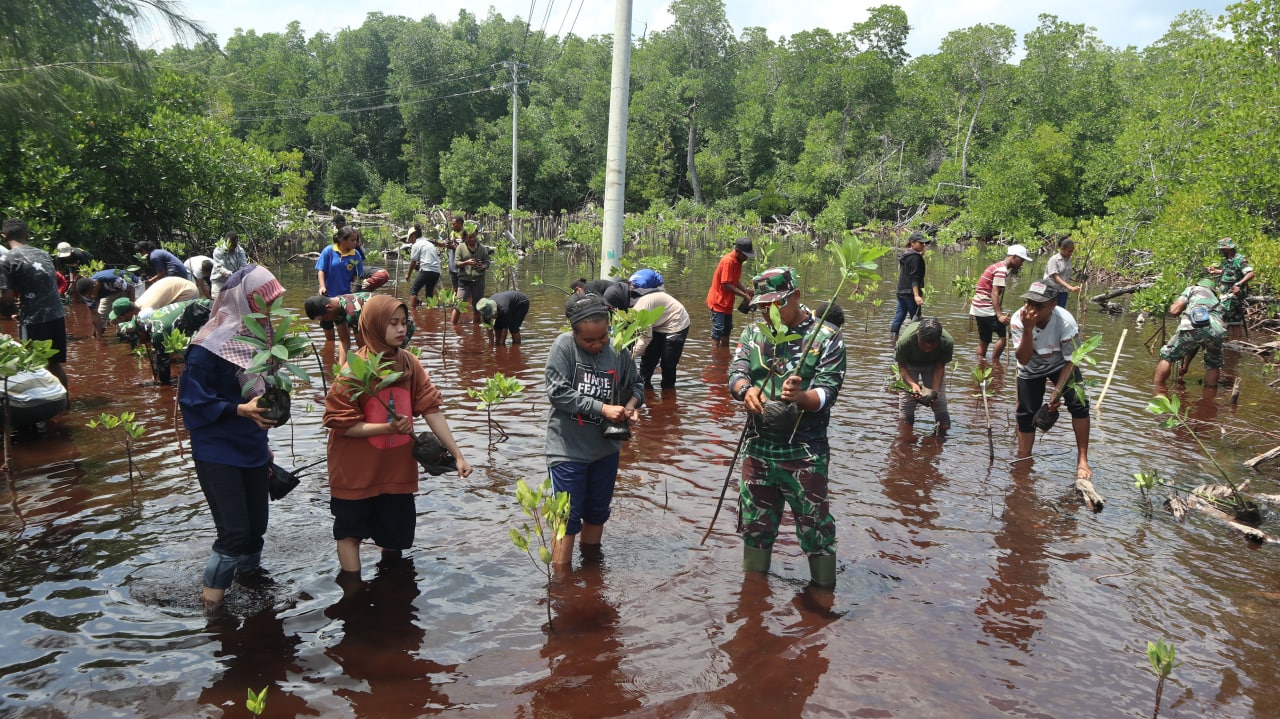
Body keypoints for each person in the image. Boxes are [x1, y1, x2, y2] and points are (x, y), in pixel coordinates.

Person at [323, 295, 472, 578]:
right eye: (392, 324)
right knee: (349, 533)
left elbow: (430, 408)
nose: (401, 329)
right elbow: (341, 424)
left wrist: (458, 455)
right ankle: (352, 592)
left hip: (395, 472)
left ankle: (391, 590)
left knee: (395, 539)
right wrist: (387, 428)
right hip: (355, 472)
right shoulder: (353, 371)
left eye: (404, 323)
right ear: (375, 326)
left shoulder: (409, 364)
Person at [727, 267, 845, 590]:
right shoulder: (754, 335)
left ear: (794, 296)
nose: (768, 312)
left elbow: (828, 391)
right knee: (755, 526)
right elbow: (736, 370)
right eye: (762, 306)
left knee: (815, 529)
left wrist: (801, 397)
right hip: (758, 446)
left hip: (804, 451)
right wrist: (744, 389)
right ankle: (753, 599)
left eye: (775, 304)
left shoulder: (826, 337)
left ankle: (823, 603)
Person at [178, 265, 285, 606]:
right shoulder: (207, 346)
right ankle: (212, 608)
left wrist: (266, 444)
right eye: (265, 300)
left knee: (256, 530)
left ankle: (250, 584)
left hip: (252, 446)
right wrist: (240, 410)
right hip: (217, 450)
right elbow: (192, 401)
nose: (272, 308)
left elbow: (262, 394)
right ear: (246, 299)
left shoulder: (264, 341)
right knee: (234, 532)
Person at [545, 294, 643, 568]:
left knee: (597, 513)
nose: (598, 345)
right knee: (567, 518)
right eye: (589, 340)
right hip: (567, 450)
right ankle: (562, 584)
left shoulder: (619, 350)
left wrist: (631, 406)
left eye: (602, 337)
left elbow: (637, 385)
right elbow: (558, 393)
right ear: (574, 333)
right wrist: (602, 409)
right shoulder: (563, 347)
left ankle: (591, 576)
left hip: (605, 450)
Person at [1010, 281, 1091, 480]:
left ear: (1053, 305)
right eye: (1029, 303)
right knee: (1026, 415)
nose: (1031, 310)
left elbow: (1072, 361)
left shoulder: (1065, 321)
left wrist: (1057, 392)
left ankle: (1082, 460)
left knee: (1079, 403)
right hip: (1031, 367)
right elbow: (1023, 359)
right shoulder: (1018, 320)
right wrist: (1028, 330)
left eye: (1039, 306)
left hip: (1060, 364)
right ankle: (1025, 459)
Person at [0, 219, 68, 390]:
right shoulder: (43, 254)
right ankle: (65, 405)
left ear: (4, 236)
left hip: (34, 320)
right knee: (54, 364)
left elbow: (7, 297)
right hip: (57, 315)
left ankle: (44, 412)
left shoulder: (6, 259)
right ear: (27, 235)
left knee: (32, 365)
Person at [1154, 279, 1227, 392]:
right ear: (1213, 290)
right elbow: (1197, 343)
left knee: (1167, 356)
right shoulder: (1217, 300)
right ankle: (1209, 397)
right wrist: (1186, 366)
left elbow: (1174, 310)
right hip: (1217, 330)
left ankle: (1158, 391)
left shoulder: (1192, 289)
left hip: (1192, 327)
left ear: (1199, 285)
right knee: (1213, 365)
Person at [305, 292, 414, 366]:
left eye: (325, 318)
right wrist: (340, 371)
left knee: (392, 360)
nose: (327, 321)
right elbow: (344, 340)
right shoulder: (336, 311)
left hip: (401, 323)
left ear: (329, 307)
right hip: (383, 325)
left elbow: (363, 344)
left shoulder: (351, 312)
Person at [127, 298, 213, 384]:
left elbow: (164, 364)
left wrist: (160, 382)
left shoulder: (157, 333)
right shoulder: (152, 318)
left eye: (139, 341)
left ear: (141, 334)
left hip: (206, 312)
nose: (142, 343)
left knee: (200, 355)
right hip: (206, 306)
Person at [969, 244, 1031, 362]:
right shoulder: (1001, 270)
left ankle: (981, 364)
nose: (1021, 264)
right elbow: (994, 292)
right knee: (1004, 336)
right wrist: (999, 315)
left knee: (984, 339)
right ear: (1014, 257)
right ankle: (995, 363)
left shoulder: (996, 266)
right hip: (985, 307)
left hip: (977, 307)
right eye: (1021, 260)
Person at [630, 273, 691, 390]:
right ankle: (643, 389)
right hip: (657, 323)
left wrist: (630, 357)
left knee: (668, 364)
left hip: (676, 322)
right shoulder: (632, 306)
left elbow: (645, 338)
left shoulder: (641, 308)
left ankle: (668, 395)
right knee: (648, 360)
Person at [894, 317, 953, 434]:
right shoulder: (905, 341)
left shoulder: (947, 342)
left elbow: (940, 366)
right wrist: (913, 385)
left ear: (938, 340)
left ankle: (942, 436)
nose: (927, 349)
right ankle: (905, 437)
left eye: (931, 346)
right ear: (917, 335)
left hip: (933, 364)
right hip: (909, 365)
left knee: (939, 403)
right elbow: (902, 367)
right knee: (907, 402)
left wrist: (935, 390)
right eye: (923, 345)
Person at [315, 226, 364, 342]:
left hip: (344, 297)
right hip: (327, 295)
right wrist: (322, 286)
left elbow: (357, 275)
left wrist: (355, 290)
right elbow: (321, 270)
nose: (355, 243)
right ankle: (330, 348)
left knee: (344, 325)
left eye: (356, 240)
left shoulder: (355, 255)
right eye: (352, 240)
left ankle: (344, 351)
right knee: (327, 324)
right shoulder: (329, 251)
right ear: (342, 239)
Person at [706, 237, 755, 347]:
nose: (746, 257)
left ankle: (724, 353)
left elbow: (735, 280)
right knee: (718, 330)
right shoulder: (728, 261)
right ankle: (716, 360)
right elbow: (726, 284)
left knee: (727, 329)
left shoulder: (738, 261)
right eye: (745, 255)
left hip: (727, 301)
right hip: (718, 301)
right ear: (737, 251)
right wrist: (744, 295)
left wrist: (745, 290)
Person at [75, 268, 138, 339]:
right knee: (99, 326)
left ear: (95, 286)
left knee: (132, 315)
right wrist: (99, 337)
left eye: (91, 294)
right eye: (87, 296)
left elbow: (131, 289)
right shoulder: (86, 294)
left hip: (132, 285)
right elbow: (95, 315)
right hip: (111, 291)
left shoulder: (112, 280)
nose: (91, 297)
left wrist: (130, 311)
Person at [107, 275, 198, 325]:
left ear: (128, 313)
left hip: (187, 291)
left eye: (121, 317)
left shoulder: (147, 311)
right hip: (179, 283)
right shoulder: (138, 302)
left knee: (174, 321)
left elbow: (157, 324)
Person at [891, 232, 931, 342]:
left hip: (901, 291)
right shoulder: (915, 257)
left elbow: (908, 271)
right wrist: (917, 295)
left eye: (924, 244)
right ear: (912, 243)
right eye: (921, 243)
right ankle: (916, 342)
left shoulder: (906, 254)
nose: (923, 245)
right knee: (916, 319)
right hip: (910, 293)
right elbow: (914, 278)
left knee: (899, 317)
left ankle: (893, 340)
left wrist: (918, 256)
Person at [1206, 237, 1254, 325]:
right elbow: (1231, 272)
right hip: (1226, 293)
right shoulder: (1227, 260)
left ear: (1228, 249)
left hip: (1233, 294)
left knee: (1219, 315)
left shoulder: (1239, 259)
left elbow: (1250, 273)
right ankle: (1234, 338)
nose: (1220, 252)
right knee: (1234, 321)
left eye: (1222, 250)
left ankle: (1223, 337)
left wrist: (1239, 285)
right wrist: (1216, 271)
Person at [452, 222, 489, 325]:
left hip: (479, 280)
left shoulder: (482, 249)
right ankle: (454, 328)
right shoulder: (460, 247)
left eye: (474, 237)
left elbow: (487, 263)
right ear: (465, 237)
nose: (472, 239)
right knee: (459, 305)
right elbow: (456, 263)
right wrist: (466, 262)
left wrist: (483, 266)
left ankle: (476, 329)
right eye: (469, 237)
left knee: (478, 306)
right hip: (464, 281)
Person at [405, 224, 441, 307]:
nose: (410, 241)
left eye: (410, 238)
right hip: (436, 271)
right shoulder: (428, 243)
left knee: (413, 290)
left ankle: (413, 314)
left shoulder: (416, 245)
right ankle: (431, 312)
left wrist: (408, 274)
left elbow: (413, 262)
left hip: (427, 270)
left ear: (413, 236)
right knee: (429, 293)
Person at [1043, 238, 1081, 308]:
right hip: (1051, 289)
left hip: (1063, 291)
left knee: (1061, 310)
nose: (1071, 253)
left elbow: (1065, 274)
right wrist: (1070, 287)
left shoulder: (1069, 259)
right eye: (1069, 251)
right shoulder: (1054, 259)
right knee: (1049, 310)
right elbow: (1056, 277)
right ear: (1062, 249)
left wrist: (1078, 279)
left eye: (1072, 251)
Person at [211, 232, 248, 300]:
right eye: (231, 245)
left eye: (234, 245)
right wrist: (232, 274)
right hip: (219, 280)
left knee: (237, 301)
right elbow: (219, 268)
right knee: (217, 302)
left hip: (235, 279)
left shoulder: (240, 250)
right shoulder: (218, 251)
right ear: (226, 241)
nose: (232, 247)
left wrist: (240, 273)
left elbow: (244, 265)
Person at [437, 216, 464, 292]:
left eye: (453, 224)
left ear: (459, 223)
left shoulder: (466, 235)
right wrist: (436, 243)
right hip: (453, 267)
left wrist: (452, 247)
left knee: (463, 289)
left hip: (462, 268)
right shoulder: (452, 234)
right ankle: (455, 303)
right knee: (455, 288)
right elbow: (445, 244)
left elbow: (466, 250)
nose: (452, 226)